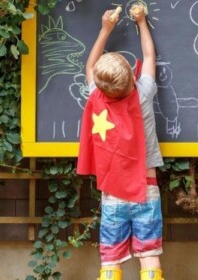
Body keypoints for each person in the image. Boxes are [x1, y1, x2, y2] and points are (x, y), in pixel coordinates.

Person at [76, 4, 164, 280]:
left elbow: (90, 66)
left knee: (111, 259)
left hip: (113, 194)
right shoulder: (143, 94)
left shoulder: (96, 98)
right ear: (132, 77)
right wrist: (141, 22)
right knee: (149, 255)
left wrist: (105, 29)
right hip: (146, 189)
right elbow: (149, 55)